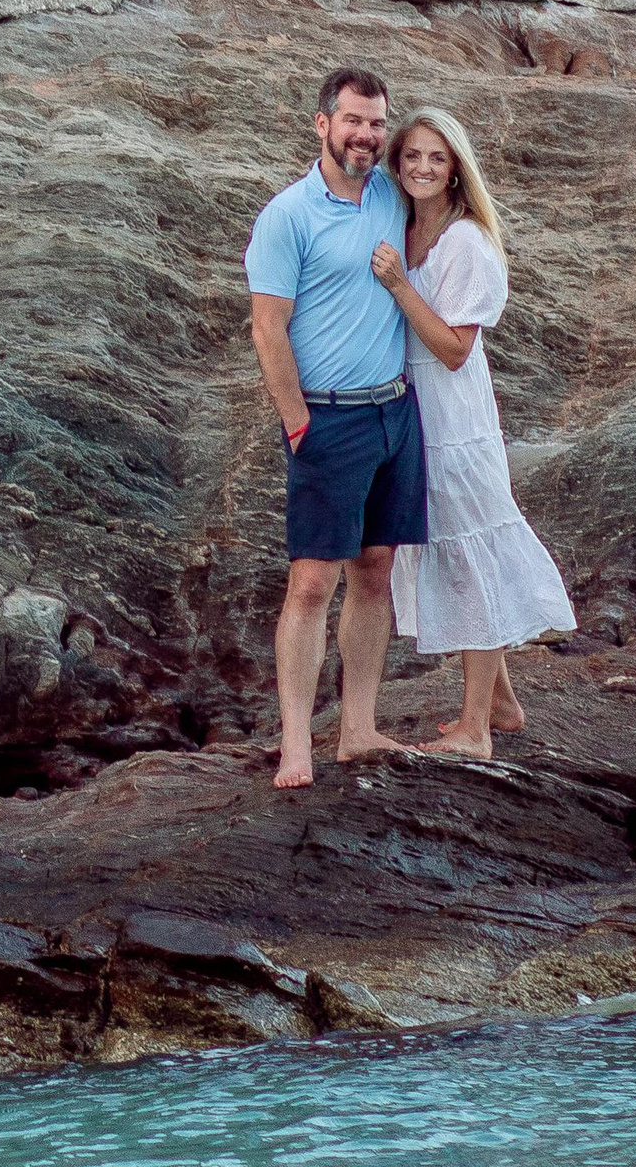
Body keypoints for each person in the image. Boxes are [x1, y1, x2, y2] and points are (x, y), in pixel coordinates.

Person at [244, 63, 428, 790]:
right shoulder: (287, 215)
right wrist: (297, 421)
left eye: (378, 122)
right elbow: (267, 328)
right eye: (354, 120)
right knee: (313, 581)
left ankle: (358, 726)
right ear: (322, 123)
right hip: (326, 419)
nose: (368, 135)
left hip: (394, 411)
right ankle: (297, 744)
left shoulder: (390, 193)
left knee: (376, 572)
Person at [370, 107, 574, 760]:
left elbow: (456, 347)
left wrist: (399, 285)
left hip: (454, 419)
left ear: (456, 166)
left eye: (437, 157)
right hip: (413, 412)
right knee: (448, 547)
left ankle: (475, 729)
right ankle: (503, 703)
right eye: (412, 157)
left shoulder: (465, 241)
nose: (423, 167)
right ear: (397, 165)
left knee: (469, 553)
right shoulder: (403, 225)